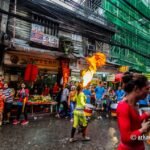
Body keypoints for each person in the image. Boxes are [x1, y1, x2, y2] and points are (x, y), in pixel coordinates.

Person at [117, 73, 150, 150]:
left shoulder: (134, 104)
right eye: (147, 88)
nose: (148, 92)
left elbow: (135, 122)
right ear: (136, 89)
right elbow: (127, 138)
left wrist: (147, 114)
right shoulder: (123, 107)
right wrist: (142, 129)